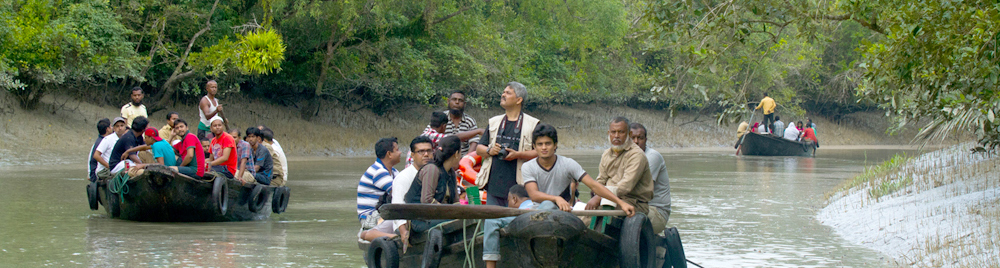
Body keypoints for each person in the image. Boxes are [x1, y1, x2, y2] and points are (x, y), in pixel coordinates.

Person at [522, 123, 636, 213]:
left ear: (555, 145)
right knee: (545, 205)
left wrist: (621, 203)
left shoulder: (568, 164)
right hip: (537, 212)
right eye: (540, 144)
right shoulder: (528, 166)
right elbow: (534, 195)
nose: (544, 148)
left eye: (548, 143)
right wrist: (556, 198)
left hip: (562, 212)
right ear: (534, 147)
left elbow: (594, 185)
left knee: (549, 205)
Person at [475, 82, 540, 207]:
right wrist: (490, 150)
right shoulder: (494, 122)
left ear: (519, 100)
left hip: (520, 188)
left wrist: (518, 154)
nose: (503, 95)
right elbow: (479, 148)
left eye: (508, 93)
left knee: (516, 224)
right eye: (503, 92)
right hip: (494, 187)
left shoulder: (533, 124)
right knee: (492, 223)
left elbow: (540, 153)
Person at [586, 117, 653, 216]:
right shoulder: (606, 154)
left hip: (634, 203)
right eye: (613, 132)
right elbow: (601, 180)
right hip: (608, 200)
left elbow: (625, 186)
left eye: (621, 132)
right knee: (582, 213)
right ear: (609, 133)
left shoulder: (637, 155)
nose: (616, 136)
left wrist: (600, 196)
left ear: (629, 134)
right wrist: (597, 193)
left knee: (597, 215)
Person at [405, 136, 463, 232]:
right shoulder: (432, 169)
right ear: (456, 154)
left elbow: (455, 201)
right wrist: (449, 212)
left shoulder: (451, 172)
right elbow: (427, 200)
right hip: (420, 220)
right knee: (460, 222)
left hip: (437, 217)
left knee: (467, 219)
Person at [629, 123, 670, 233]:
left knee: (621, 215)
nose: (636, 142)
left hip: (656, 211)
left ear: (646, 140)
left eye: (640, 138)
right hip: (635, 206)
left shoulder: (652, 157)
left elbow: (639, 190)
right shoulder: (623, 158)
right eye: (632, 138)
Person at [358, 137, 401, 241]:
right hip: (371, 217)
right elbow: (399, 194)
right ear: (389, 154)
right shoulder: (378, 171)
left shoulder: (394, 172)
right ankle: (396, 238)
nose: (400, 153)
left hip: (381, 213)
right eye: (397, 150)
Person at [391, 136, 434, 235]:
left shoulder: (435, 173)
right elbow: (398, 206)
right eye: (421, 152)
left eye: (429, 151)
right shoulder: (403, 178)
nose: (426, 154)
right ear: (413, 155)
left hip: (427, 220)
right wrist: (403, 232)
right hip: (408, 225)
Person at [444, 91, 483, 155]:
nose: (457, 102)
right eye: (454, 99)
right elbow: (428, 136)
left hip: (463, 158)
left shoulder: (469, 121)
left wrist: (466, 160)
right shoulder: (440, 117)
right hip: (442, 159)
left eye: (460, 100)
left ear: (464, 104)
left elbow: (474, 142)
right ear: (448, 101)